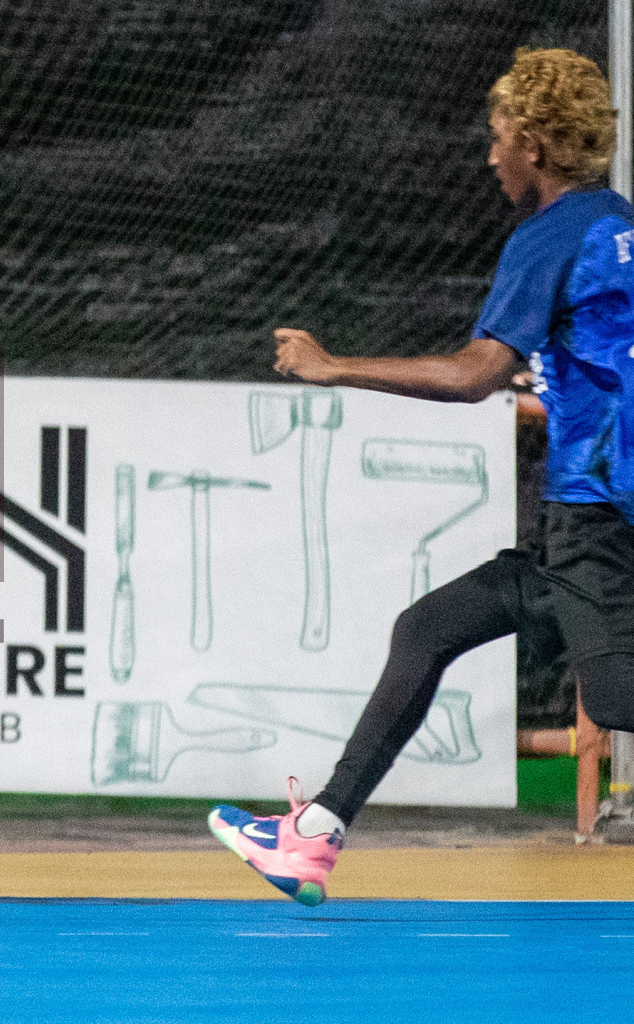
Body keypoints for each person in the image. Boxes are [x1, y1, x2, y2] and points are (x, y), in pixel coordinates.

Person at [208, 47, 634, 905]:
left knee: (619, 697)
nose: (489, 157)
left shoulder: (549, 234)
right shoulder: (617, 221)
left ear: (537, 147)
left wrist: (332, 368)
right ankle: (316, 834)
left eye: (498, 137)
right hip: (580, 522)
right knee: (427, 628)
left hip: (596, 517)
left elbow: (473, 374)